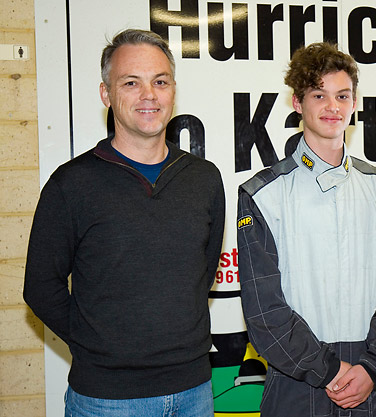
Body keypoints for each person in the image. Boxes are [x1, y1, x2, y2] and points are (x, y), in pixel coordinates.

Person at [23, 29, 225, 416]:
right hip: (106, 400)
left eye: (160, 81)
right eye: (131, 82)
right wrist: (97, 345)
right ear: (106, 94)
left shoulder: (204, 178)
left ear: (172, 91)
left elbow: (204, 269)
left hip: (195, 392)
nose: (149, 94)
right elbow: (40, 286)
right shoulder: (72, 183)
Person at [236, 42, 376, 416]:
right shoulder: (262, 194)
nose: (333, 107)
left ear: (354, 103)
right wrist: (330, 369)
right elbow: (263, 310)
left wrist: (372, 369)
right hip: (293, 382)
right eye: (319, 94)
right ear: (298, 103)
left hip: (370, 382)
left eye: (342, 95)